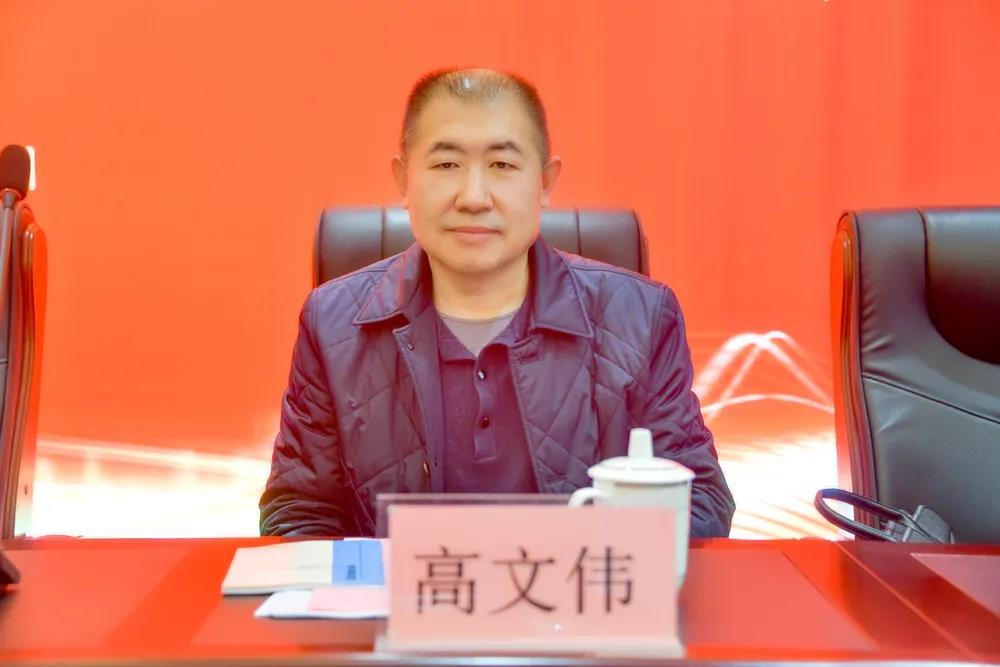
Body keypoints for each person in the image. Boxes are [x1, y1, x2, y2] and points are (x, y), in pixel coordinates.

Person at [260, 68, 735, 537]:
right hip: (398, 590)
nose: (474, 197)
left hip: (579, 587)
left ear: (545, 183)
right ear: (404, 180)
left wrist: (559, 569)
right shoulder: (331, 324)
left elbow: (700, 503)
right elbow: (299, 513)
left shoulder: (640, 316)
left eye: (502, 165)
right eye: (447, 165)